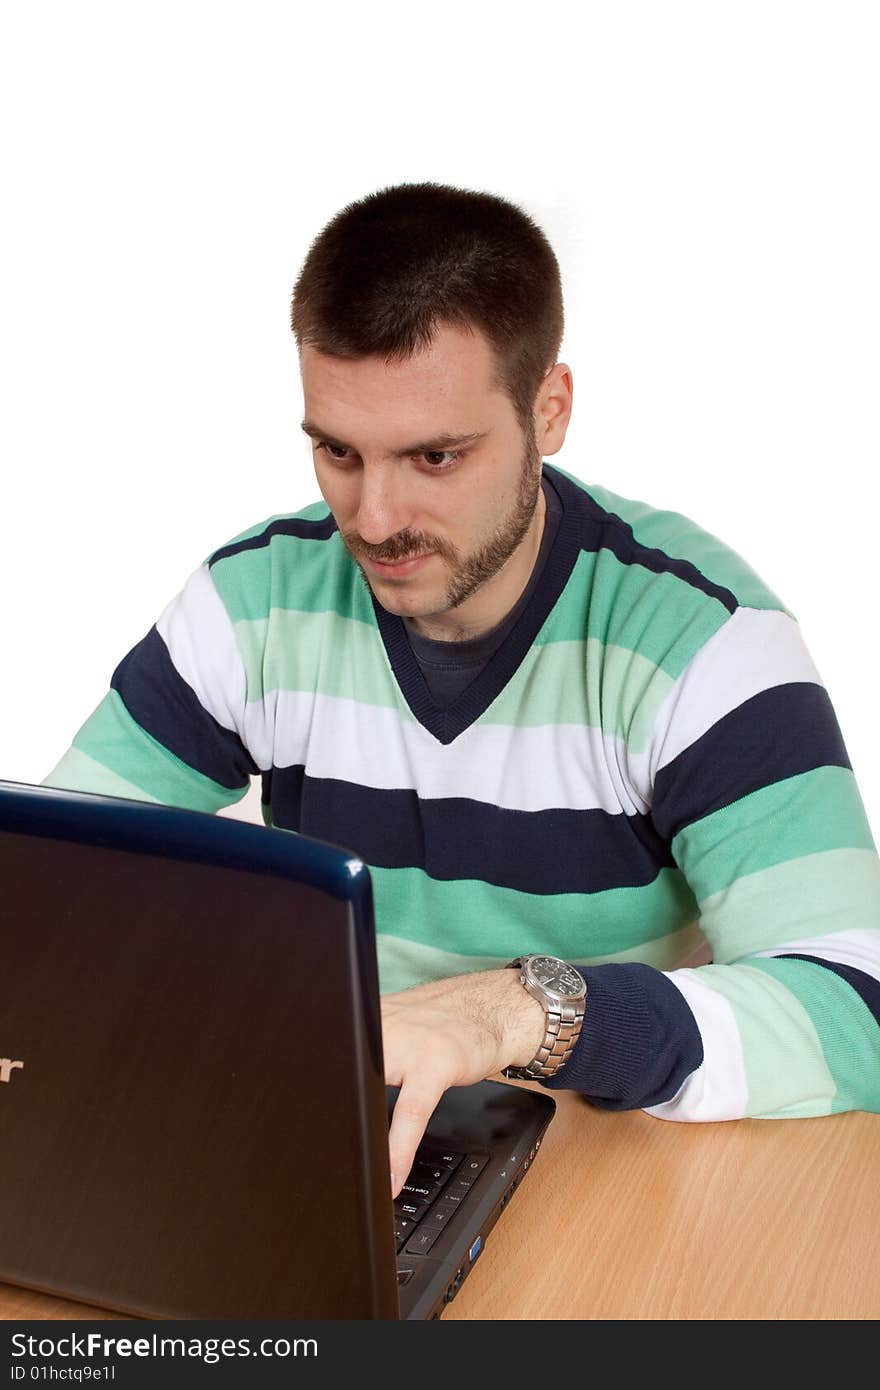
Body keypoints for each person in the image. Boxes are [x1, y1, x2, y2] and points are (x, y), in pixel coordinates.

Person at [44, 182, 880, 1197]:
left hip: (607, 1170)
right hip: (344, 1153)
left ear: (548, 410)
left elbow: (856, 1009)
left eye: (434, 455)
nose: (374, 516)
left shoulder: (703, 645)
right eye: (336, 451)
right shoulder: (250, 606)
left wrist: (519, 1014)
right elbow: (49, 904)